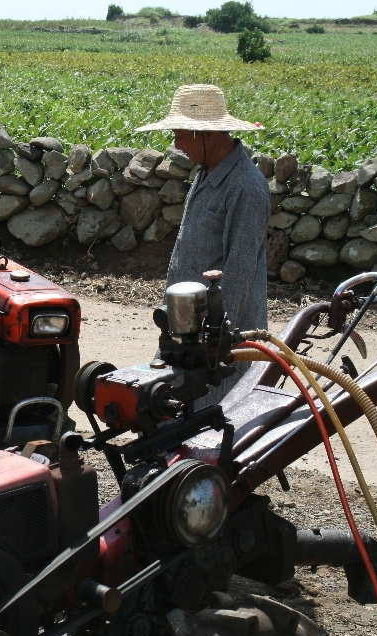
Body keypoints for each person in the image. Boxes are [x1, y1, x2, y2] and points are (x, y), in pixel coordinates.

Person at [137, 83, 270, 405]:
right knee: (171, 403)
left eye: (181, 134)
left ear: (205, 134)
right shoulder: (207, 171)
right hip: (187, 321)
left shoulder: (245, 187)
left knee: (213, 414)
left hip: (217, 331)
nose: (176, 143)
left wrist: (217, 339)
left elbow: (238, 269)